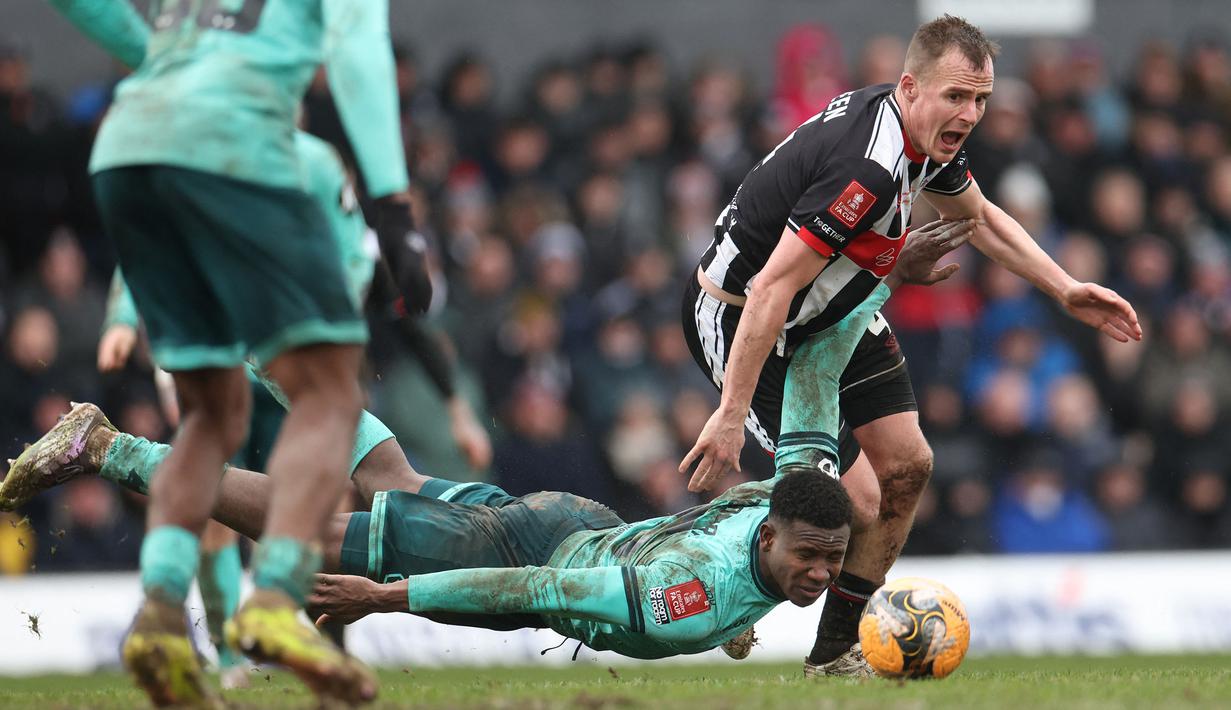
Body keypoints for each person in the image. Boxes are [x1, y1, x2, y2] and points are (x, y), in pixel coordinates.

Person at [679, 15, 1141, 676]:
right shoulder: (866, 165)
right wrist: (729, 414)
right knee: (852, 502)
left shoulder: (923, 141)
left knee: (907, 467)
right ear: (909, 86)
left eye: (979, 99)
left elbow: (975, 218)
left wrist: (1064, 288)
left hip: (830, 308)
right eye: (956, 96)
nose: (970, 113)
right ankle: (727, 560)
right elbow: (769, 289)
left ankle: (831, 654)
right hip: (744, 317)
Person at [44, 0, 421, 704]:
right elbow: (360, 51)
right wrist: (394, 205)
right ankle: (274, 598)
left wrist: (158, 59)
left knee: (209, 417)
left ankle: (159, 613)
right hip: (238, 144)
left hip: (130, 145)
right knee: (331, 399)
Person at [2, 401, 852, 661]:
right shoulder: (689, 595)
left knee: (393, 482)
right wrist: (391, 597)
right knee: (324, 537)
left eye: (831, 561)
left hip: (581, 522)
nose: (820, 575)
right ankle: (111, 446)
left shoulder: (779, 505)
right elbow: (544, 592)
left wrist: (872, 278)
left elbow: (814, 404)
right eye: (810, 559)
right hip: (539, 553)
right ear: (774, 539)